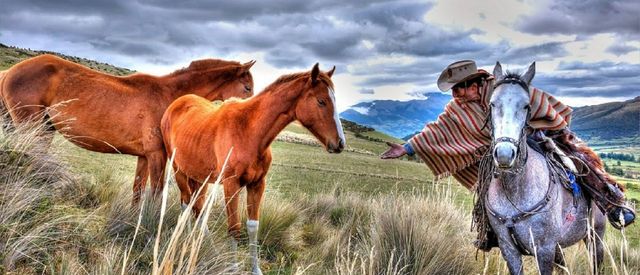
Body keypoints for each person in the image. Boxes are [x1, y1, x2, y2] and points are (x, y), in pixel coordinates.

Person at [381, 60, 636, 251]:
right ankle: (490, 231)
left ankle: (613, 203)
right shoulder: (458, 108)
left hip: (536, 133)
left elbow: (537, 102)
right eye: (453, 90)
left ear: (476, 83)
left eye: (459, 88)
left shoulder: (505, 89)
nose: (455, 95)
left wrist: (550, 130)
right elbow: (438, 130)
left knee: (578, 161)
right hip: (500, 148)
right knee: (485, 185)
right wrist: (406, 148)